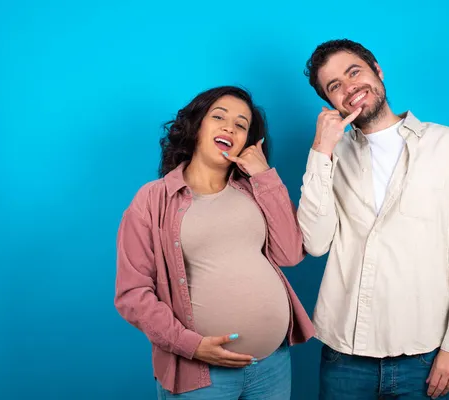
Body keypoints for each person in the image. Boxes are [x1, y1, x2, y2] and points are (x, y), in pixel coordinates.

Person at [297, 39, 449, 399]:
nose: (349, 87)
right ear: (330, 102)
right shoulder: (330, 155)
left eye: (354, 72)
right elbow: (315, 243)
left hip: (425, 356)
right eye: (335, 86)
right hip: (344, 358)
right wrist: (320, 151)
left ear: (377, 71)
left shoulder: (447, 144)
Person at [114, 86, 314, 399]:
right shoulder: (152, 200)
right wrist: (192, 346)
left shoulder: (253, 191)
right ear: (197, 126)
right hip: (201, 373)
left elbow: (290, 252)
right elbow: (132, 294)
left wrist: (263, 174)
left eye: (240, 125)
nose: (229, 127)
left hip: (272, 365)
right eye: (218, 116)